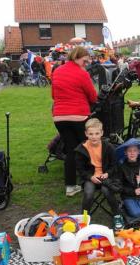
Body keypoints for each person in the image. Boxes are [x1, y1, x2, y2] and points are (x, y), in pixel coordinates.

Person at [52, 46, 97, 196]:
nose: (87, 63)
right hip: (79, 116)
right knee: (88, 147)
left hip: (59, 117)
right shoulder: (82, 74)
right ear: (78, 56)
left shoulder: (57, 71)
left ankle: (70, 186)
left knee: (71, 151)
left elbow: (54, 95)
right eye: (85, 60)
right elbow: (93, 96)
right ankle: (91, 180)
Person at [75, 119, 122, 227]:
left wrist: (107, 174)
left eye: (97, 133)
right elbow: (80, 170)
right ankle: (84, 218)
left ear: (102, 133)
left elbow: (114, 165)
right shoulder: (81, 149)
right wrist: (90, 177)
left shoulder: (108, 147)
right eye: (91, 134)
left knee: (107, 191)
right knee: (89, 193)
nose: (94, 136)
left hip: (105, 176)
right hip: (90, 177)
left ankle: (117, 215)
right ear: (86, 134)